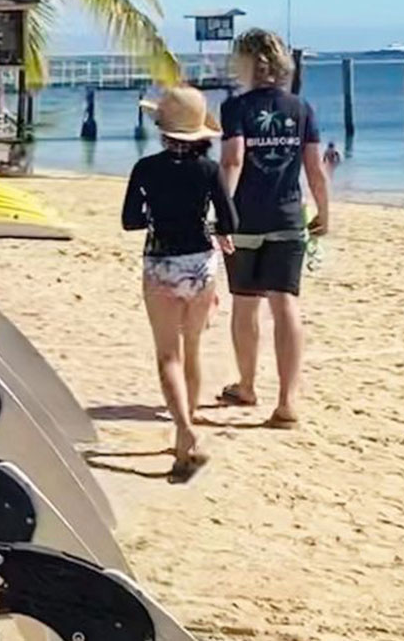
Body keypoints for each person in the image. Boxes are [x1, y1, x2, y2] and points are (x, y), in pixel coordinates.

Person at [218, 28, 331, 428]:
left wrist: (221, 212)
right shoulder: (301, 108)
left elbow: (233, 161)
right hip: (287, 219)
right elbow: (314, 170)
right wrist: (325, 212)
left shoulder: (236, 108)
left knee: (246, 303)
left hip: (247, 218)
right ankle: (287, 402)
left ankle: (247, 385)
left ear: (246, 63)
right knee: (285, 304)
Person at [123, 85, 237, 481]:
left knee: (166, 355)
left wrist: (157, 215)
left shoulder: (146, 168)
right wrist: (205, 224)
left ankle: (186, 432)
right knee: (192, 349)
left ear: (162, 127)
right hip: (201, 264)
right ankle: (183, 433)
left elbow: (130, 221)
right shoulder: (209, 170)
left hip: (161, 263)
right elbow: (230, 221)